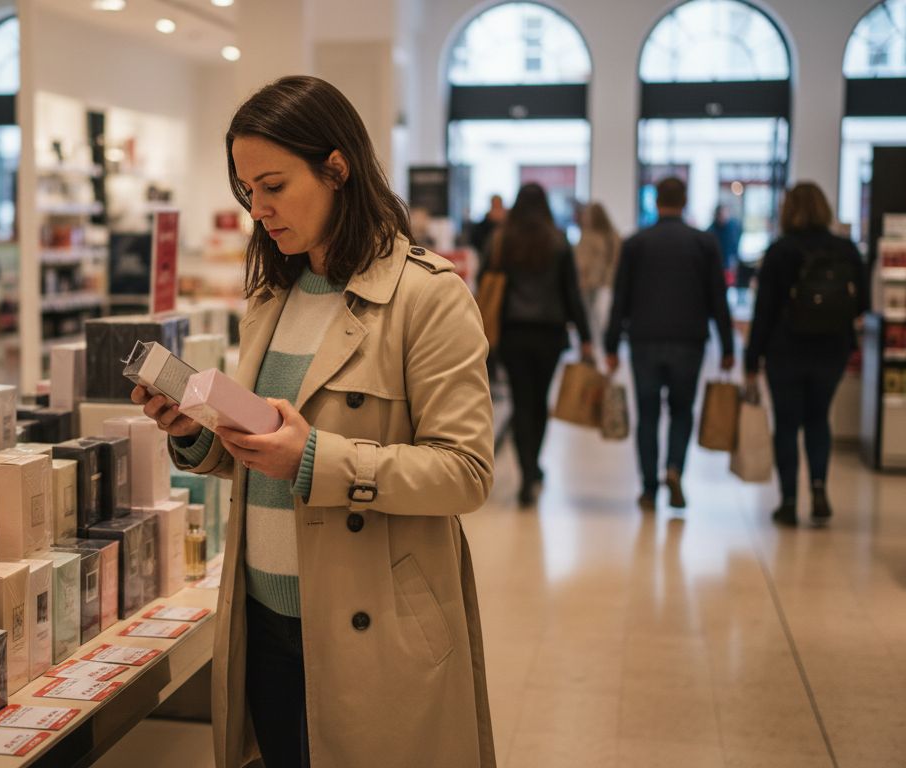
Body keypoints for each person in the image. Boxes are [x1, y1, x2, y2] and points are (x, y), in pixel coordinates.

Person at [132, 76, 495, 768]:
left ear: (337, 169)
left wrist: (315, 459)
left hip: (372, 627)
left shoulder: (429, 298)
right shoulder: (274, 292)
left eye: (273, 185)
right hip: (263, 619)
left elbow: (467, 473)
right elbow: (262, 447)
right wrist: (194, 431)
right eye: (247, 191)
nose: (258, 209)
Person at [605, 177, 734, 512]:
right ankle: (674, 468)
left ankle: (649, 489)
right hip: (689, 341)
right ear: (685, 200)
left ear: (656, 201)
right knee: (681, 411)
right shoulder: (704, 243)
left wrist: (610, 344)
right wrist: (729, 347)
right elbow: (718, 298)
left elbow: (621, 297)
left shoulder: (636, 243)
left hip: (644, 340)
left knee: (647, 415)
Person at [745, 182, 867, 527]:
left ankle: (787, 500)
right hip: (832, 348)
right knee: (818, 418)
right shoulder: (846, 250)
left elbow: (764, 310)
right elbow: (863, 304)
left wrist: (751, 360)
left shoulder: (781, 251)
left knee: (787, 423)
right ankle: (818, 488)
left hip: (787, 349)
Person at [494, 183, 592, 506]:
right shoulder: (558, 241)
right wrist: (586, 338)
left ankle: (526, 473)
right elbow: (572, 294)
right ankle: (533, 467)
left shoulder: (502, 241)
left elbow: (487, 285)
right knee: (539, 403)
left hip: (513, 332)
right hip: (549, 333)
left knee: (522, 402)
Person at [574, 201, 620, 344]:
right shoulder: (586, 235)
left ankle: (603, 347)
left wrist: (608, 279)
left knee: (602, 318)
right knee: (588, 319)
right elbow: (580, 259)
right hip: (585, 282)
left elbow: (614, 260)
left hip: (603, 283)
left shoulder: (611, 236)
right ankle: (590, 347)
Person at [471, 194, 507, 272]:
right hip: (488, 262)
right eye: (494, 205)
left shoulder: (510, 225)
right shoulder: (483, 224)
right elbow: (475, 241)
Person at [709, 203, 742, 275]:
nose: (724, 217)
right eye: (721, 215)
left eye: (726, 214)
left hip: (732, 262)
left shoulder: (734, 225)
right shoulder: (711, 230)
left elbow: (736, 241)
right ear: (716, 216)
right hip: (717, 264)